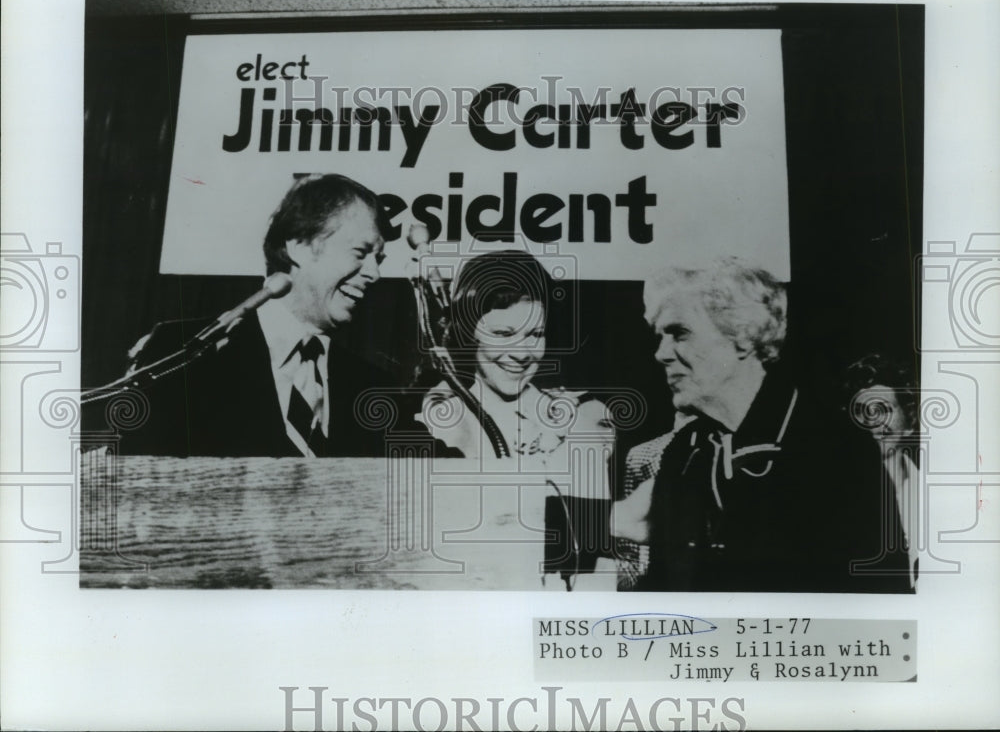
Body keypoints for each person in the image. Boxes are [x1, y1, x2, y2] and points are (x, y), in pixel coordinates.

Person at [613, 257, 911, 593]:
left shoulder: (836, 451)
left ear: (742, 334)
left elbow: (880, 600)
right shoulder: (684, 453)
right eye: (660, 336)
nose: (660, 354)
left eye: (679, 333)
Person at [110, 173, 393, 457]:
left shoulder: (371, 385)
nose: (375, 274)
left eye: (378, 260)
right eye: (360, 252)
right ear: (300, 246)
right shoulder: (182, 353)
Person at [415, 250, 616, 590]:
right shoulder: (435, 422)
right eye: (503, 334)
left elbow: (595, 562)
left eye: (535, 334)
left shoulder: (580, 419)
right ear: (466, 334)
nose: (522, 354)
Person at [842, 353, 920, 588]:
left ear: (909, 421)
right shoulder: (841, 496)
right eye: (860, 411)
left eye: (883, 409)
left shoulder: (936, 495)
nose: (871, 422)